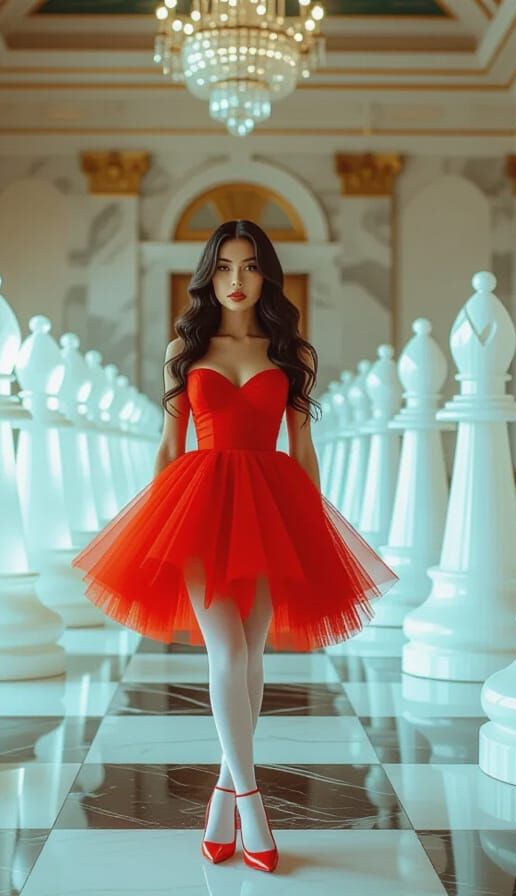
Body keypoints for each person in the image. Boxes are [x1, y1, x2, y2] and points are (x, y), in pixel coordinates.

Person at [71, 219, 397, 872]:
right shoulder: (184, 349)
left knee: (251, 652)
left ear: (266, 275)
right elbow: (170, 447)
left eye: (249, 267)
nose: (237, 280)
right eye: (224, 267)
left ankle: (224, 794)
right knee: (226, 647)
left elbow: (302, 451)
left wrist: (314, 531)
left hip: (275, 505)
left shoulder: (292, 353)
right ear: (208, 275)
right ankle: (252, 799)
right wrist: (155, 524)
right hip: (199, 502)